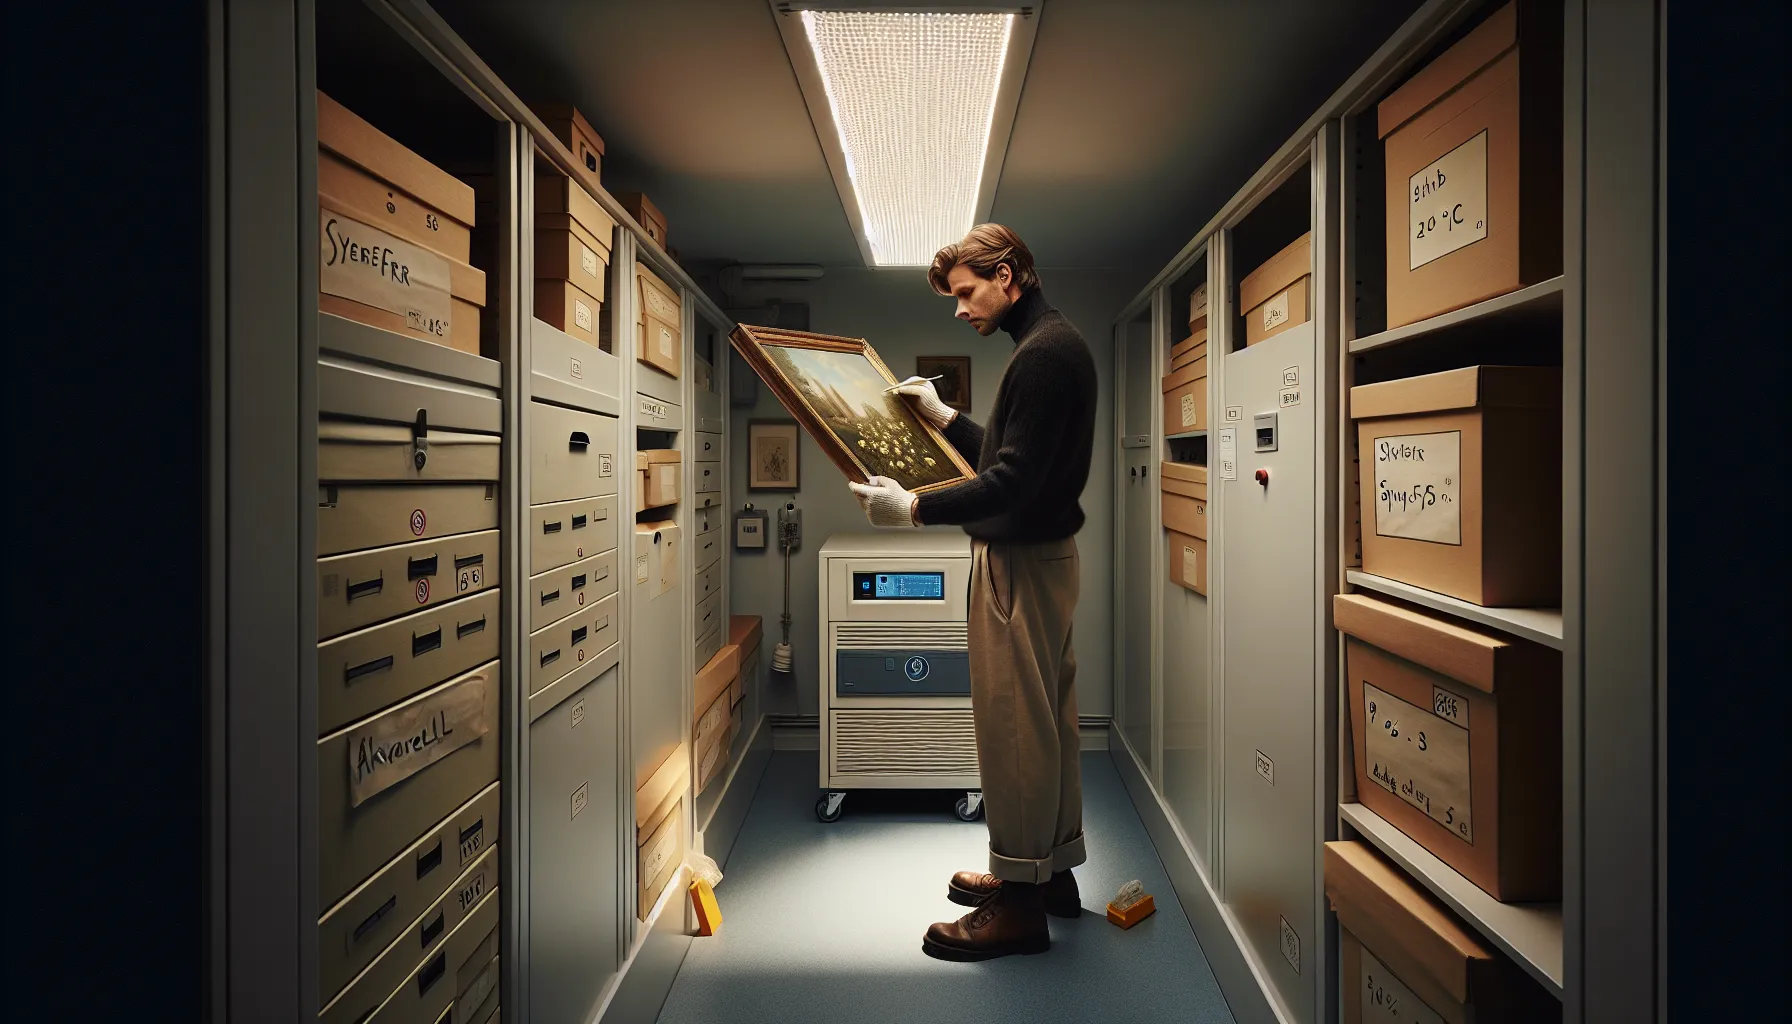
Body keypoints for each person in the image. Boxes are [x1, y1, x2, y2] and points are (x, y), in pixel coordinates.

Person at [848, 224, 1098, 962]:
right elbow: (1019, 450)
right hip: (1047, 558)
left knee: (1014, 729)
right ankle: (1048, 876)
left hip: (1018, 563)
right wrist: (946, 419)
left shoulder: (1043, 356)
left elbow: (1012, 481)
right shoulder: (1054, 344)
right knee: (1047, 721)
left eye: (966, 292)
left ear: (1009, 274)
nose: (958, 310)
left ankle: (1019, 906)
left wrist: (915, 508)